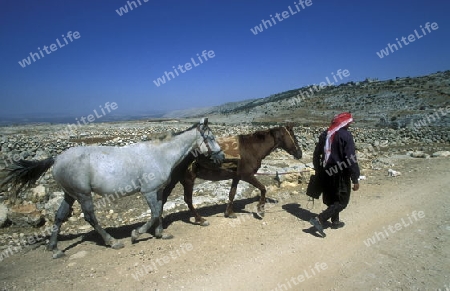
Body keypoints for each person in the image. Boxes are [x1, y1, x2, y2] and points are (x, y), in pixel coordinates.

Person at [310, 112, 360, 237]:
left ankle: (335, 221)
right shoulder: (345, 136)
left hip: (326, 171)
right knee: (342, 201)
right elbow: (350, 158)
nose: (349, 126)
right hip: (340, 173)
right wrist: (355, 178)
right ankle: (320, 219)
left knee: (332, 198)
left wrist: (318, 170)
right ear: (345, 123)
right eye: (349, 123)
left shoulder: (325, 134)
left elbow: (316, 154)